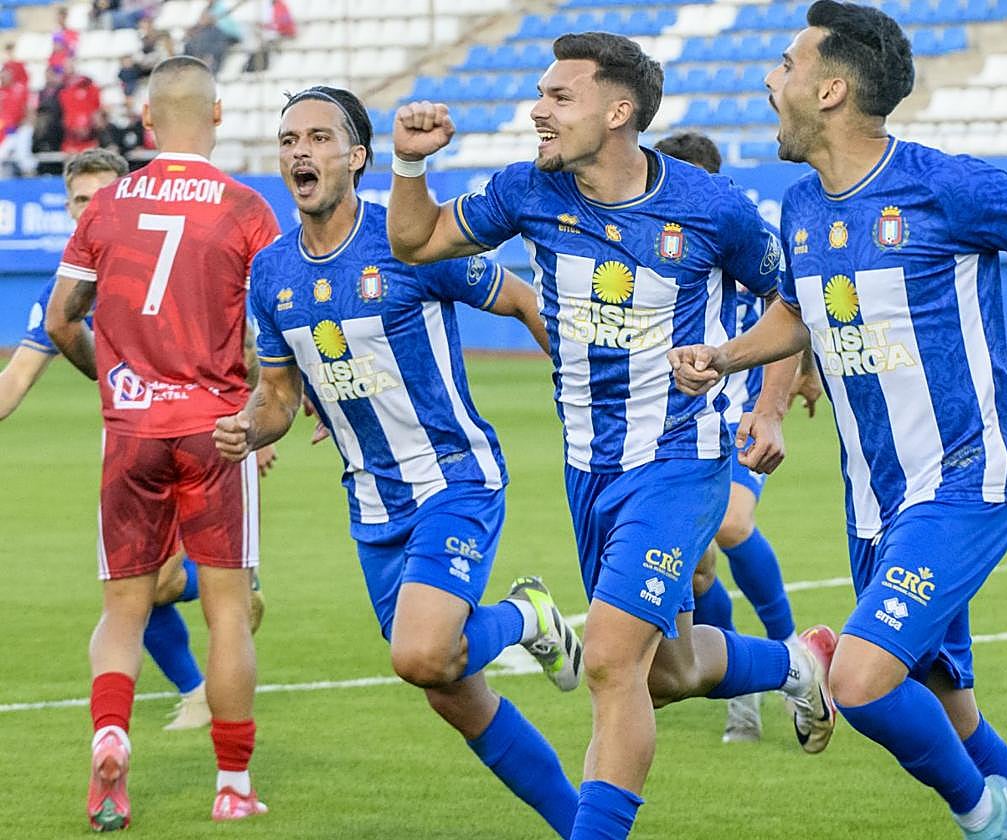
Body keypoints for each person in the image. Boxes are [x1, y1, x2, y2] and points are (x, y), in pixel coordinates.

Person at [668, 3, 1007, 839]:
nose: (773, 80)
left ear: (832, 89)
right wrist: (727, 358)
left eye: (787, 65)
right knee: (955, 716)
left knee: (860, 681)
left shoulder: (945, 184)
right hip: (876, 506)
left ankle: (983, 814)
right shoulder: (802, 205)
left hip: (962, 485)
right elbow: (799, 313)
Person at [387, 32, 837, 839]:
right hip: (587, 468)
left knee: (604, 661)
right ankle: (795, 663)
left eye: (560, 97)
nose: (538, 109)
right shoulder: (529, 190)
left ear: (618, 111)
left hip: (677, 463)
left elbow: (800, 299)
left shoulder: (708, 207)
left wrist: (757, 394)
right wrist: (411, 167)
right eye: (541, 95)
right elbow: (416, 242)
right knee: (661, 672)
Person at [211, 85, 583, 838]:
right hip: (372, 508)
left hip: (455, 480)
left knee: (419, 653)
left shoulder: (409, 242)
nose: (299, 153)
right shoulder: (273, 273)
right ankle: (582, 827)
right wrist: (249, 429)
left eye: (317, 138)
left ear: (356, 158)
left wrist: (581, 390)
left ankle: (525, 615)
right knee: (453, 692)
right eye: (288, 141)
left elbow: (517, 299)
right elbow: (279, 397)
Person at [46, 55, 281, 829]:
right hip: (214, 430)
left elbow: (59, 319)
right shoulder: (246, 207)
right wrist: (275, 406)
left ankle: (111, 737)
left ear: (146, 122)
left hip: (132, 428)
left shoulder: (105, 204)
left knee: (123, 609)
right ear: (217, 116)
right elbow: (274, 333)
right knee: (226, 612)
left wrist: (111, 384)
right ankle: (234, 785)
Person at [0, 147, 272, 733]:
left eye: (98, 195)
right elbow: (13, 383)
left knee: (149, 584)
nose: (87, 208)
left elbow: (249, 351)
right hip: (139, 449)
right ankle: (199, 683)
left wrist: (256, 427)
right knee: (143, 585)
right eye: (78, 199)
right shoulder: (66, 288)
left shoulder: (181, 268)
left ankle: (227, 603)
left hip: (202, 441)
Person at [653, 129, 824, 743]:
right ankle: (751, 688)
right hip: (676, 423)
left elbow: (796, 309)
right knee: (697, 573)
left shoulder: (736, 229)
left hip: (740, 409)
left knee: (731, 523)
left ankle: (792, 650)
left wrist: (793, 382)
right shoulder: (655, 245)